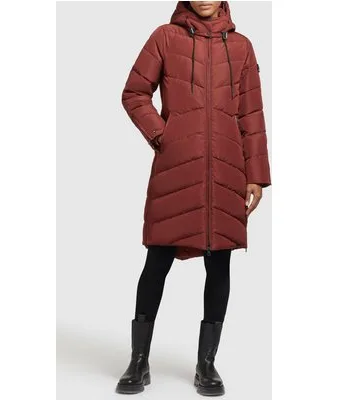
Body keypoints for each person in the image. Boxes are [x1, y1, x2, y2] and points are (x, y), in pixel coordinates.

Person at [116, 1, 271, 396]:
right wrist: (163, 136)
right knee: (157, 260)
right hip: (176, 169)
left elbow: (251, 114)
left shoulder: (242, 46)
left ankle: (206, 364)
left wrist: (256, 175)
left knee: (220, 265)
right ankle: (138, 360)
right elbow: (135, 93)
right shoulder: (165, 37)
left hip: (226, 171)